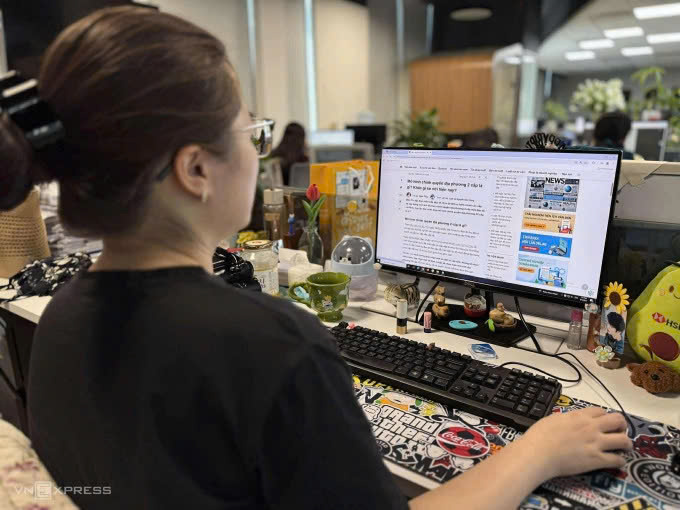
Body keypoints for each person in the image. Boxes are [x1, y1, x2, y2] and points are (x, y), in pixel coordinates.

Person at [0, 7, 632, 510]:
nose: (259, 155)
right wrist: (538, 452)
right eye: (253, 134)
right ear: (196, 170)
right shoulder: (274, 345)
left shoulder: (58, 317)